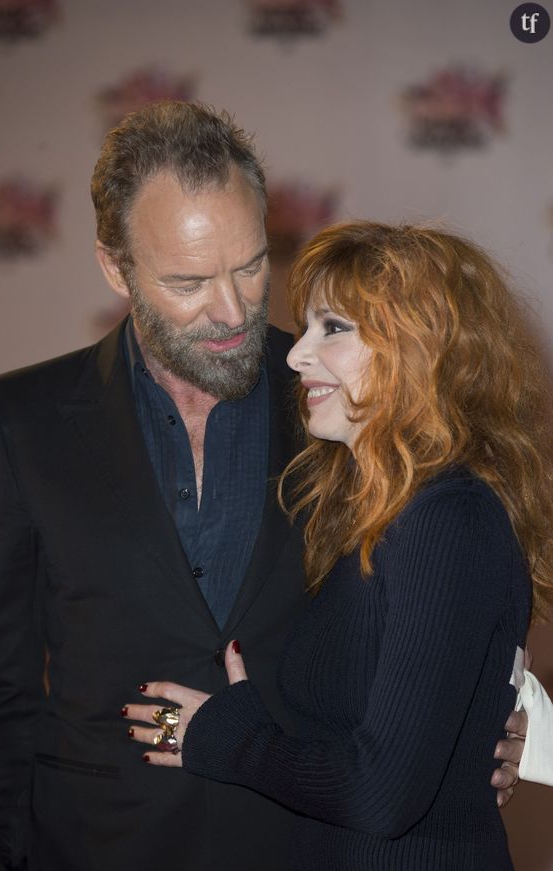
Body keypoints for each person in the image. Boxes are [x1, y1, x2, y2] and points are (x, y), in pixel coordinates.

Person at [0, 103, 523, 871]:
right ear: (115, 266)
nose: (233, 311)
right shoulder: (20, 418)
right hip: (97, 842)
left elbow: (428, 606)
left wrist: (496, 721)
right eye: (190, 280)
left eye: (253, 264)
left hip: (297, 841)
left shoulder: (343, 402)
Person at [125, 221, 553, 870]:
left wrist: (229, 738)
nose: (295, 355)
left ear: (419, 346)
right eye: (307, 327)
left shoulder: (447, 516)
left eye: (334, 328)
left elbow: (382, 793)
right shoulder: (382, 511)